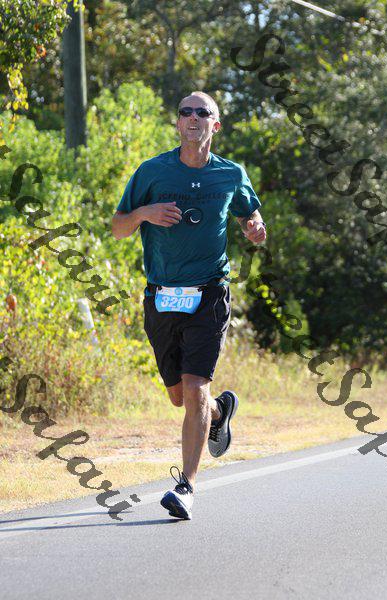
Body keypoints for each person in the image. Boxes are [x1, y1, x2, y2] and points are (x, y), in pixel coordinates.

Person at [111, 91, 266, 520]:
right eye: (185, 112)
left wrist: (255, 228)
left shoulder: (231, 174)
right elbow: (118, 227)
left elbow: (249, 214)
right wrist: (145, 212)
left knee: (195, 385)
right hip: (162, 295)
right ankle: (219, 412)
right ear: (178, 123)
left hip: (210, 293)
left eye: (202, 112)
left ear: (215, 125)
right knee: (180, 396)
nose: (192, 117)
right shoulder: (152, 172)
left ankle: (186, 487)